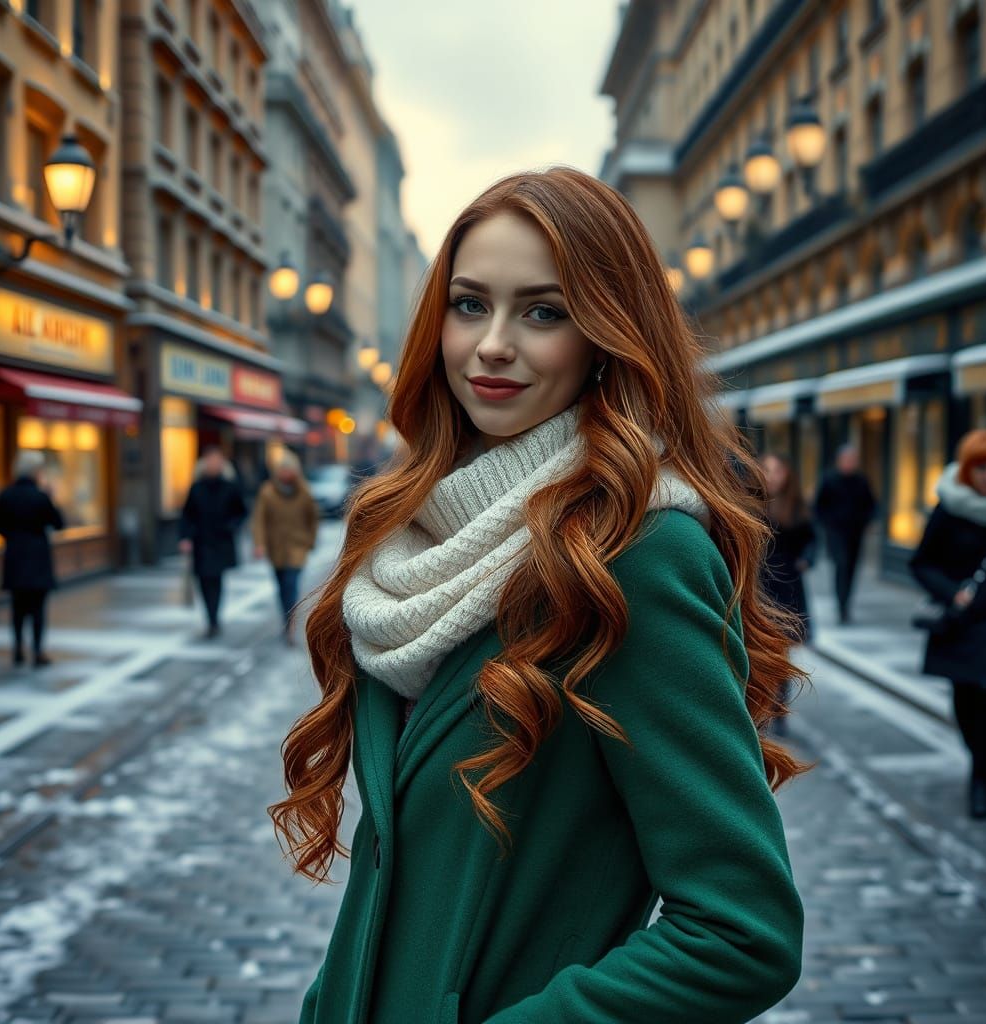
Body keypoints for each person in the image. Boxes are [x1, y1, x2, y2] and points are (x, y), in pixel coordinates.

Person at [270, 168, 805, 1024]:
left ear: (605, 336)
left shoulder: (635, 554)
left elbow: (743, 933)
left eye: (543, 312)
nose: (491, 343)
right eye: (471, 304)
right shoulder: (414, 540)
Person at [910, 429, 986, 821]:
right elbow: (921, 563)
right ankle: (982, 761)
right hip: (961, 622)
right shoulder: (949, 509)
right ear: (968, 471)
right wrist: (952, 593)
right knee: (966, 702)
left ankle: (980, 777)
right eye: (982, 468)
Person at [0, 450, 64, 667]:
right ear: (35, 471)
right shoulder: (41, 497)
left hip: (15, 555)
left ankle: (18, 648)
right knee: (38, 607)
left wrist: (14, 537)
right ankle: (38, 651)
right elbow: (59, 523)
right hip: (38, 556)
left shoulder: (5, 495)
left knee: (18, 606)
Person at [760, 453, 816, 736]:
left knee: (780, 653)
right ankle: (761, 704)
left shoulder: (795, 507)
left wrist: (806, 559)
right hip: (758, 587)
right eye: (766, 470)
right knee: (760, 650)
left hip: (787, 588)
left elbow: (811, 541)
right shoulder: (751, 504)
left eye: (777, 470)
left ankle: (778, 708)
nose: (772, 476)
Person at [178, 447, 247, 638]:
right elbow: (187, 514)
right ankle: (211, 618)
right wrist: (184, 537)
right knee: (203, 580)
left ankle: (213, 619)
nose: (213, 465)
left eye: (216, 461)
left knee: (216, 580)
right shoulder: (197, 487)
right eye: (210, 461)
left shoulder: (230, 487)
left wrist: (231, 526)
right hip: (201, 541)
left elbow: (241, 512)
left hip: (221, 542)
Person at [252, 449, 318, 645]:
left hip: (297, 546)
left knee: (291, 584)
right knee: (282, 586)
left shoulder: (304, 491)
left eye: (290, 470)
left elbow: (313, 518)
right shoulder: (267, 491)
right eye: (283, 470)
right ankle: (286, 618)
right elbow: (259, 520)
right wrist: (260, 544)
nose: (286, 474)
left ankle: (290, 624)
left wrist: (310, 541)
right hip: (276, 547)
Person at [814, 444, 876, 624]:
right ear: (839, 461)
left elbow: (871, 504)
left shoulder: (861, 480)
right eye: (847, 460)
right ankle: (841, 606)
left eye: (853, 460)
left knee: (851, 569)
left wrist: (868, 521)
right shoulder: (829, 479)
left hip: (855, 533)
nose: (850, 463)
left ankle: (846, 603)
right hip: (835, 532)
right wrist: (826, 524)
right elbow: (819, 507)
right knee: (842, 565)